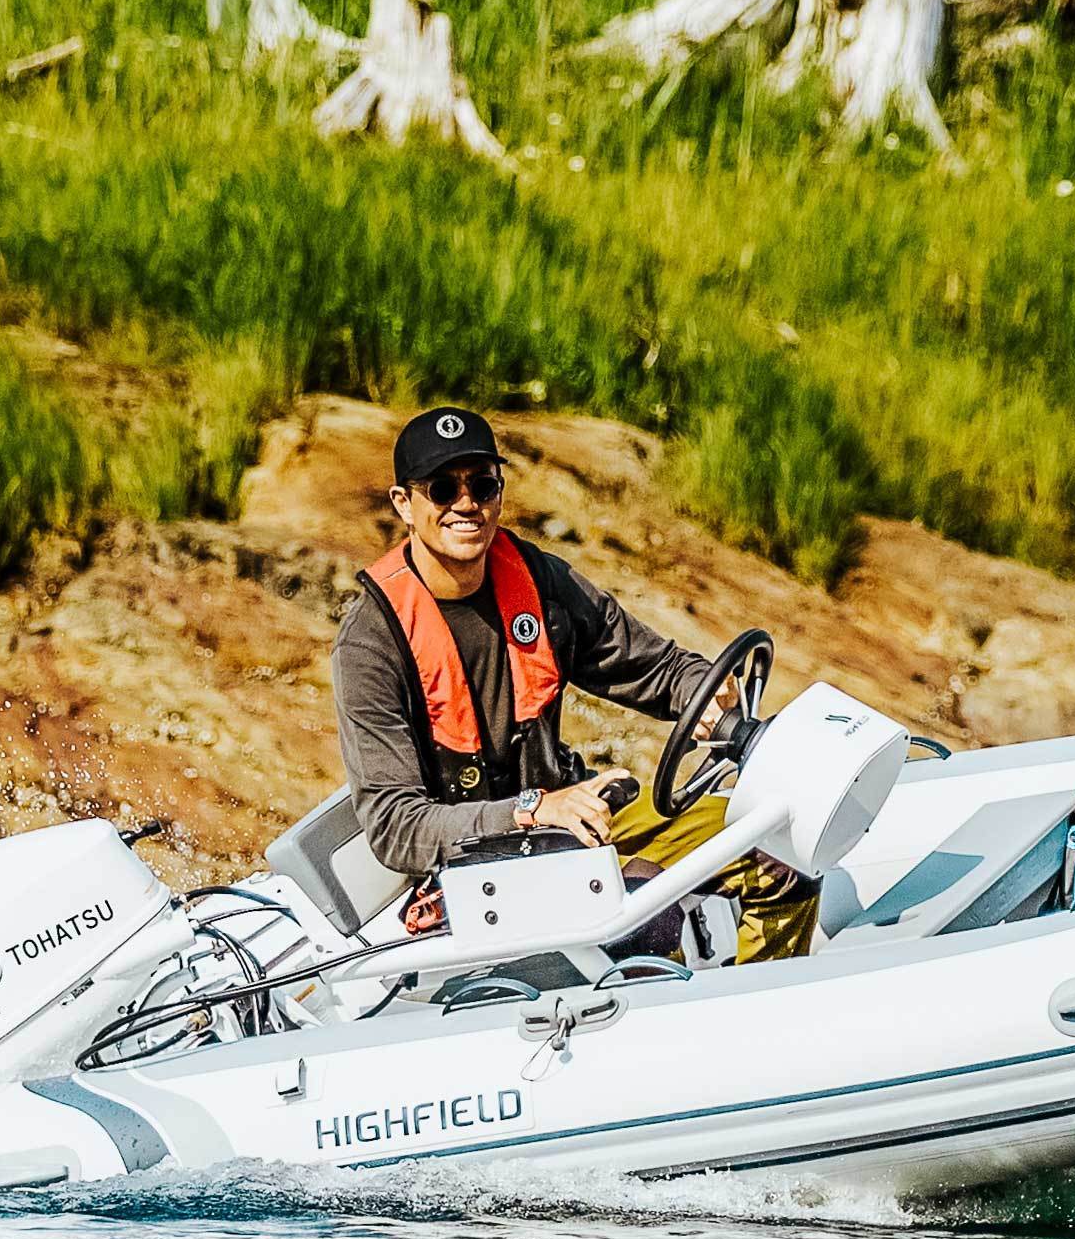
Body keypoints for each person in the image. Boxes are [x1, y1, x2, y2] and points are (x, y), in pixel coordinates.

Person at [331, 404, 818, 964]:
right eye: (443, 489)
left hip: (579, 821)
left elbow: (651, 667)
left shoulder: (538, 580)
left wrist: (702, 690)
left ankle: (757, 1018)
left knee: (777, 849)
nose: (466, 504)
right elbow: (396, 828)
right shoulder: (371, 644)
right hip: (475, 872)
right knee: (643, 910)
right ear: (404, 505)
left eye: (482, 485)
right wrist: (535, 808)